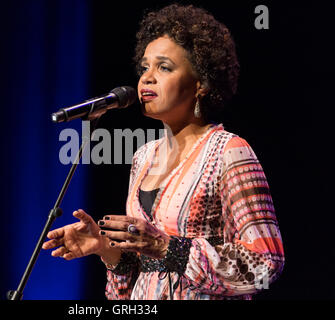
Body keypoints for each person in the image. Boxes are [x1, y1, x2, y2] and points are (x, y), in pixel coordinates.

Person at [43, 3, 284, 300]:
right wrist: (105, 249)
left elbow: (265, 266)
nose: (147, 77)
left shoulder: (229, 152)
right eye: (145, 67)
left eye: (164, 67)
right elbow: (142, 275)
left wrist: (165, 246)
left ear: (202, 84)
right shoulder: (144, 157)